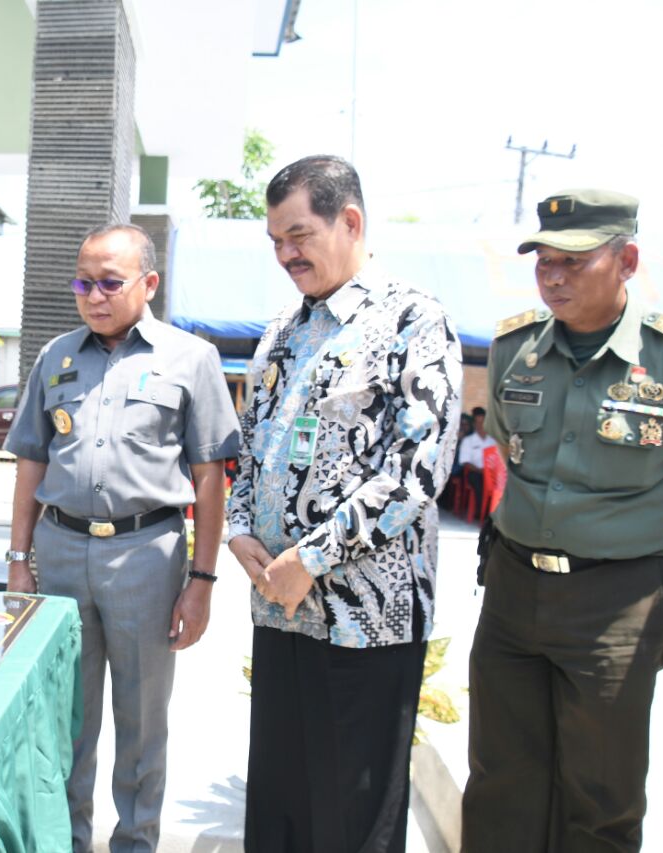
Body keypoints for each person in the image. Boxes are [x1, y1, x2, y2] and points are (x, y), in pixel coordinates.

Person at [462, 190, 663, 852]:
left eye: (574, 261)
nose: (553, 275)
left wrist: (654, 570)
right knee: (500, 780)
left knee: (602, 793)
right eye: (544, 260)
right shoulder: (514, 348)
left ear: (628, 260)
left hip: (617, 603)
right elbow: (509, 450)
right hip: (512, 591)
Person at [226, 155, 462, 852]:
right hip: (280, 610)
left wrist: (313, 556)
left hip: (366, 621)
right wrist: (240, 531)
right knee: (280, 813)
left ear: (349, 220)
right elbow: (252, 449)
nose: (285, 254)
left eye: (298, 235)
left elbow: (418, 469)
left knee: (353, 822)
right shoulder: (280, 333)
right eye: (275, 240)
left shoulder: (414, 322)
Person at [3, 223, 240, 853]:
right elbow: (31, 460)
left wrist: (202, 581)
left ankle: (135, 842)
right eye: (84, 282)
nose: (94, 295)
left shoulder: (192, 358)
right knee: (64, 719)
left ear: (149, 283)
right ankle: (68, 841)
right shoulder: (55, 356)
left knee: (140, 723)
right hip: (58, 554)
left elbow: (209, 477)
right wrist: (18, 561)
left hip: (147, 556)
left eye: (110, 282)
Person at [456, 406, 496, 511]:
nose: (481, 425)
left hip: (492, 474)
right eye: (478, 422)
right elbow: (465, 462)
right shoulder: (468, 441)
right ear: (474, 424)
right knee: (479, 481)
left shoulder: (493, 441)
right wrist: (481, 471)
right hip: (475, 472)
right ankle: (482, 511)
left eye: (483, 422)